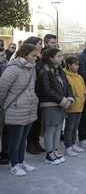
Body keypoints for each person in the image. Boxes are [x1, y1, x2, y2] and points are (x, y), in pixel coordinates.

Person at [0, 44, 39, 176]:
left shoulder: (32, 69)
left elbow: (31, 89)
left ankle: (21, 161)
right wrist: (2, 105)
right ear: (24, 55)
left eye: (36, 56)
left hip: (29, 109)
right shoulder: (13, 69)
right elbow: (2, 89)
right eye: (33, 56)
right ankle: (15, 164)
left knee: (23, 139)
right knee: (15, 140)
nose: (35, 58)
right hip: (15, 109)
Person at [38, 48, 74, 165]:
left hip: (61, 104)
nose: (61, 58)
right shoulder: (45, 71)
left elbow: (67, 85)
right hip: (50, 105)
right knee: (50, 129)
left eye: (61, 56)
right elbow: (47, 90)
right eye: (58, 56)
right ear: (50, 58)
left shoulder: (60, 70)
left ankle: (56, 151)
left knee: (58, 128)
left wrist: (69, 98)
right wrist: (63, 100)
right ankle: (49, 154)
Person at [20, 37, 46, 154]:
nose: (42, 46)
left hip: (38, 95)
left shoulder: (38, 60)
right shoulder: (24, 62)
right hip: (29, 96)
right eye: (40, 44)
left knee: (37, 120)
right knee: (31, 121)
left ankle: (36, 142)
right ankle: (30, 144)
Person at [63, 57, 86, 156]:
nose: (77, 66)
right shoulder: (65, 76)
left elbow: (84, 88)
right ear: (69, 65)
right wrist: (72, 97)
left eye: (78, 64)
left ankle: (73, 144)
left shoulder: (79, 77)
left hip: (80, 105)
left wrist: (84, 95)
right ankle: (68, 146)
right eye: (75, 64)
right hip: (72, 106)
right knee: (69, 127)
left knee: (75, 127)